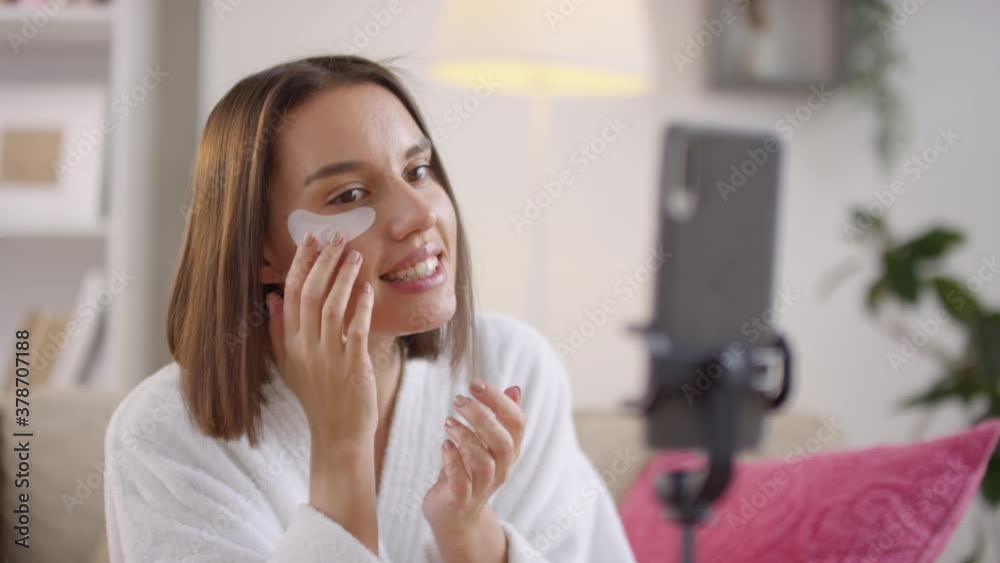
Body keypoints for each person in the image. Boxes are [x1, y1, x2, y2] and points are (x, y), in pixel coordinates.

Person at [103, 55, 637, 563]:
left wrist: (468, 529)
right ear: (260, 250)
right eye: (350, 194)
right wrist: (340, 450)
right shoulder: (163, 434)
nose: (418, 215)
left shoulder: (510, 367)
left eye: (418, 170)